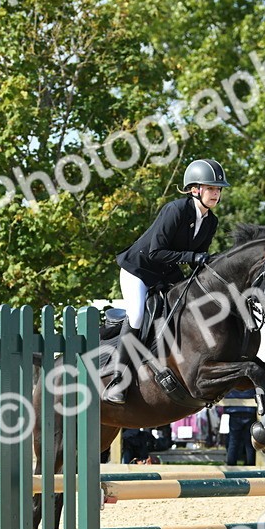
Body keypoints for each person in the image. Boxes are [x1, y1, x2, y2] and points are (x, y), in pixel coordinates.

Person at [103, 158, 230, 404]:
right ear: (195, 189)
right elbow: (156, 252)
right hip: (138, 270)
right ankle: (117, 380)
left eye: (218, 189)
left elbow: (196, 261)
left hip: (165, 273)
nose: (216, 193)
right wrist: (194, 256)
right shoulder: (176, 210)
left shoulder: (211, 221)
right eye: (211, 188)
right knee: (138, 315)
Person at [221, 389, 257, 466]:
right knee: (249, 443)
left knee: (233, 441)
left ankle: (231, 465)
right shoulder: (250, 381)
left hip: (234, 411)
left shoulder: (232, 382)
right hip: (249, 411)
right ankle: (251, 465)